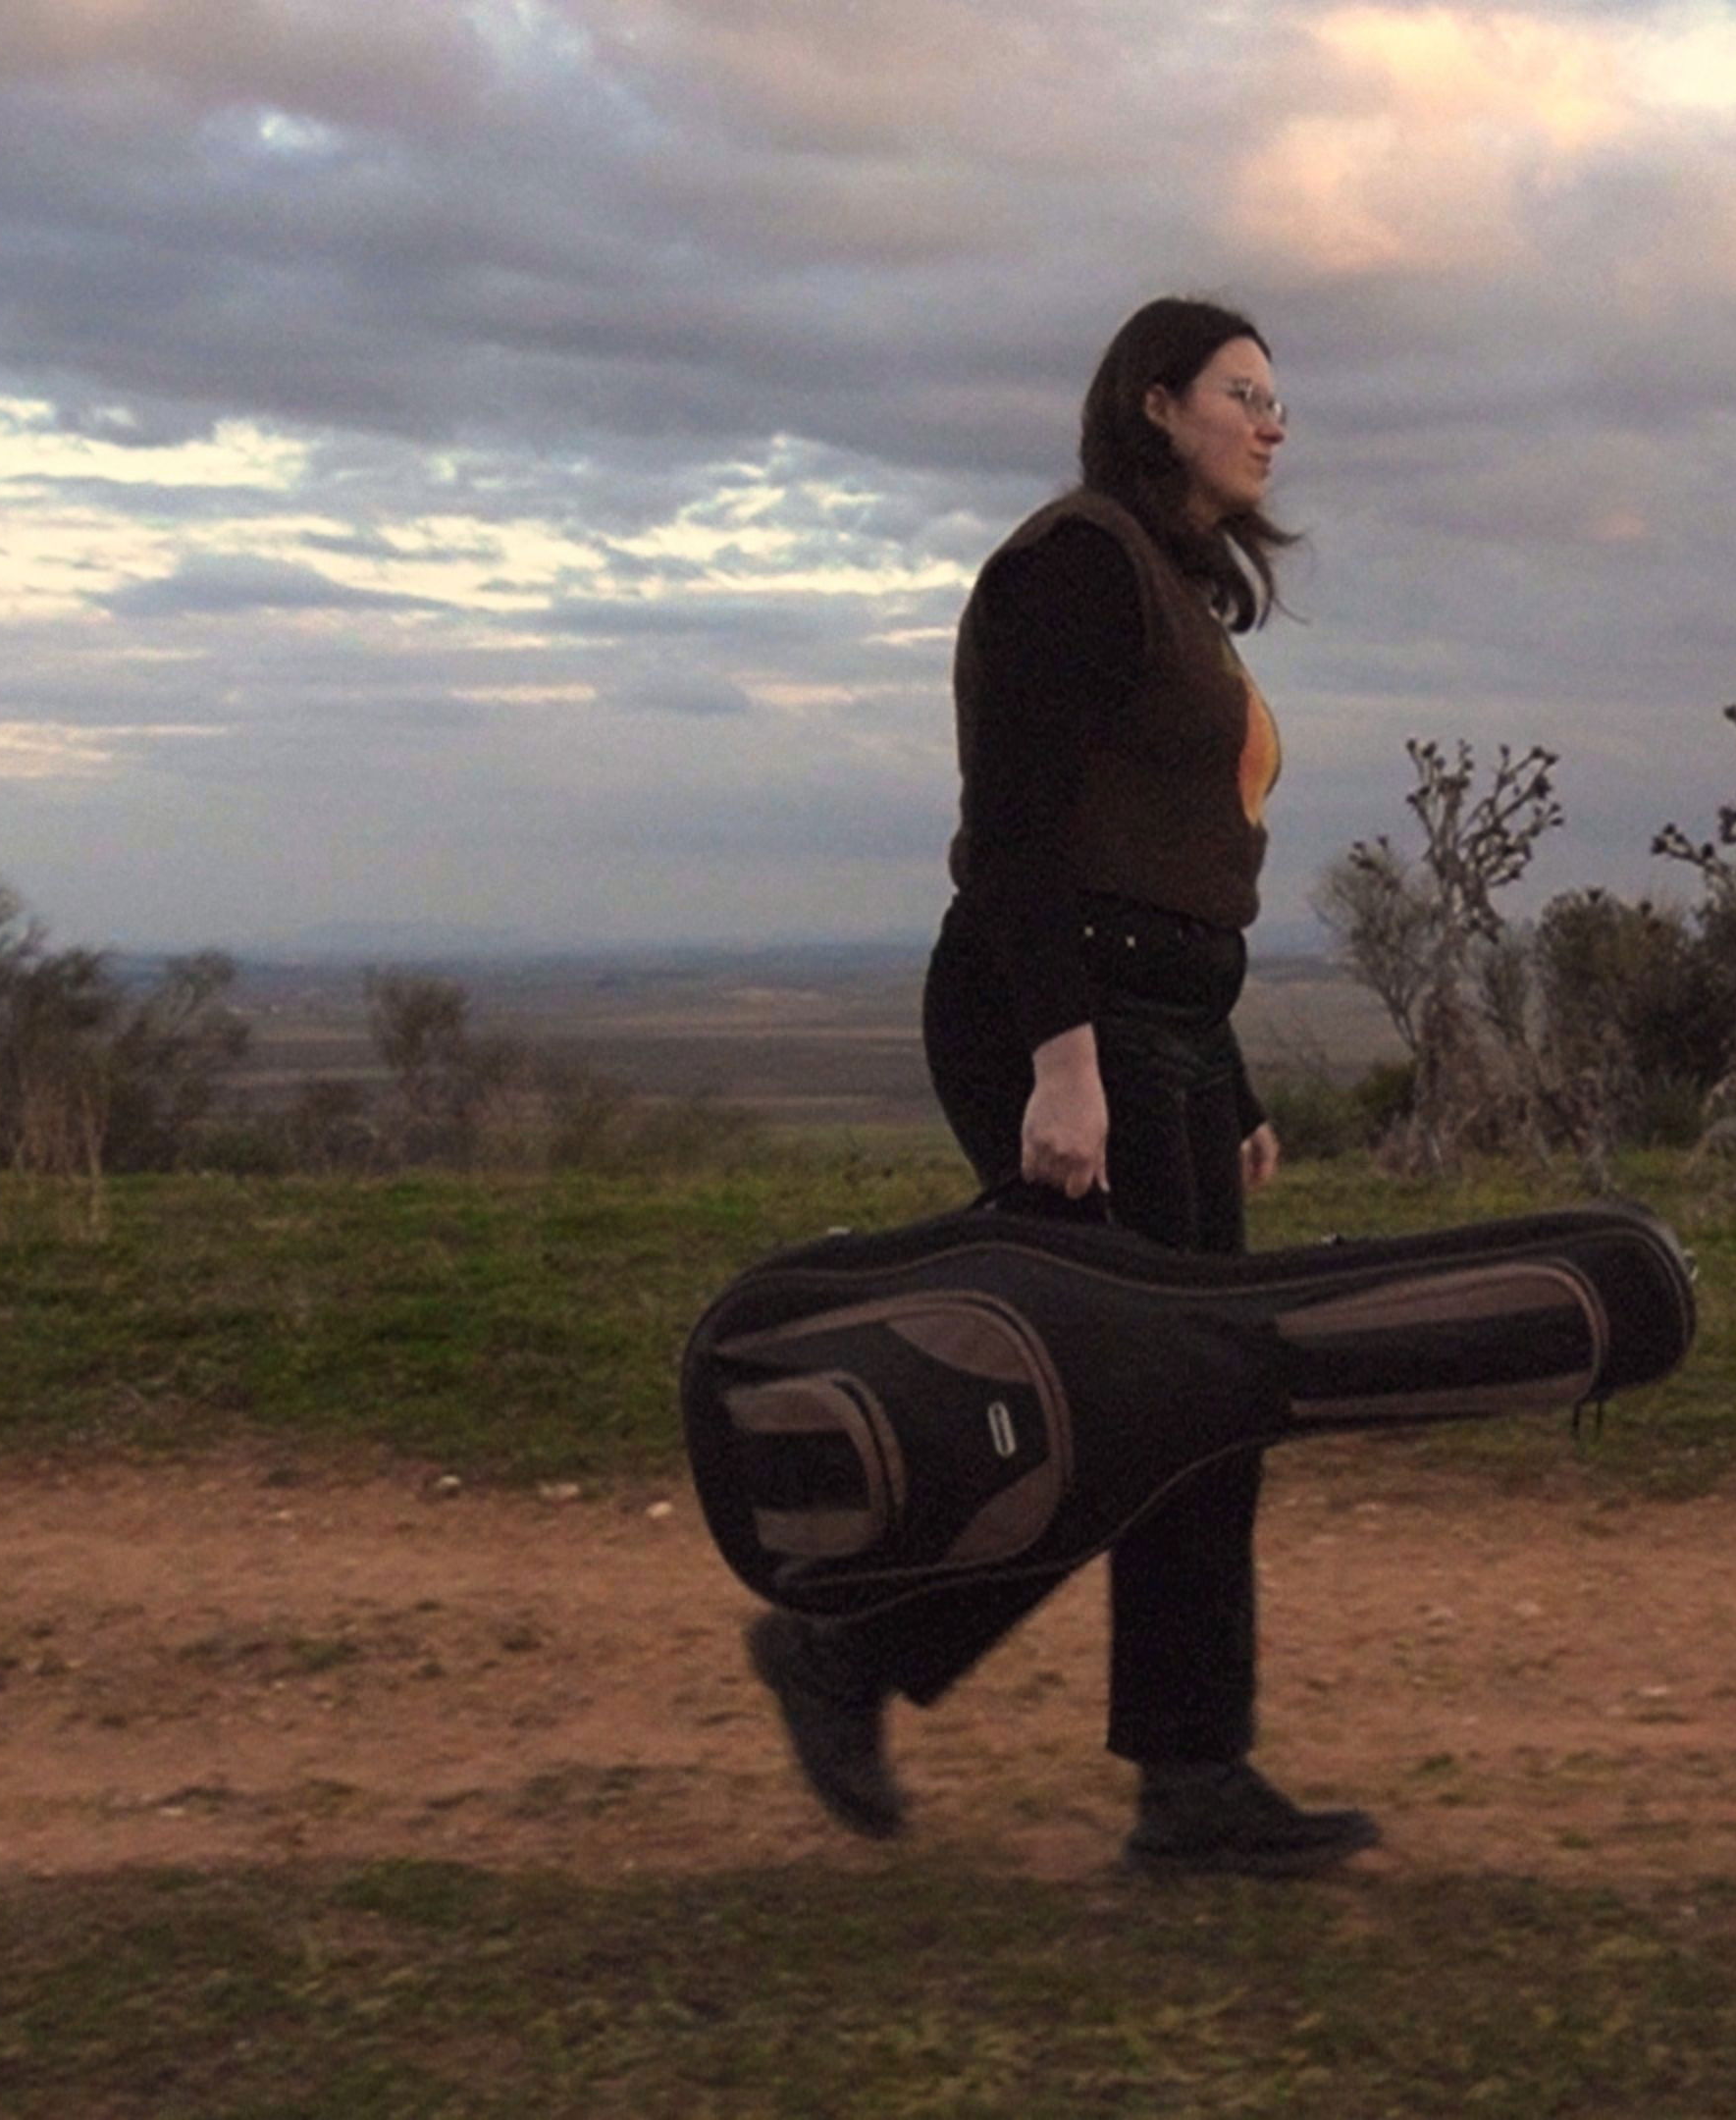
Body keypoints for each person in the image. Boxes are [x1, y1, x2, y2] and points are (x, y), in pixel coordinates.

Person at [743, 294, 1378, 1878]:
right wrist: (1067, 1064)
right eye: (1243, 392)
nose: (1274, 422)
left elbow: (1166, 859)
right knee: (1125, 1396)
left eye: (1277, 398)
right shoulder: (1075, 565)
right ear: (1156, 403)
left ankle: (1190, 1779)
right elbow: (1020, 837)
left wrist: (1225, 1077)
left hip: (1158, 1025)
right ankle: (851, 1654)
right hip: (1061, 1017)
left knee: (1201, 1398)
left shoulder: (1172, 587)